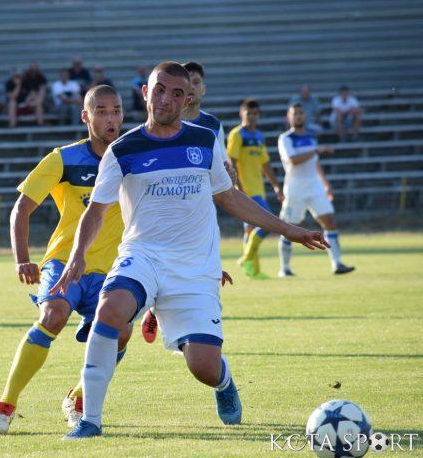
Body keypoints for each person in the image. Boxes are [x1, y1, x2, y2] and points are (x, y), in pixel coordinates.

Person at [52, 61, 327, 439]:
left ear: (187, 100)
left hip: (194, 266)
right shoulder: (122, 150)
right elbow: (96, 211)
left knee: (203, 367)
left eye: (177, 93)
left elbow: (229, 197)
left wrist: (288, 229)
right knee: (109, 310)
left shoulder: (204, 141)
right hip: (143, 256)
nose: (166, 98)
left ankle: (223, 382)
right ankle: (90, 420)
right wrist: (78, 255)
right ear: (145, 93)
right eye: (159, 89)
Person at [0, 86, 132, 435]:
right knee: (53, 315)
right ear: (86, 116)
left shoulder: (133, 158)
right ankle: (6, 404)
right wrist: (22, 259)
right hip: (65, 262)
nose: (110, 118)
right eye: (101, 111)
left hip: (111, 268)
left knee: (122, 332)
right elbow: (21, 208)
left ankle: (77, 399)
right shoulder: (64, 159)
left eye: (115, 110)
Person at [140, 60, 238, 343]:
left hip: (199, 201)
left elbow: (220, 162)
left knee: (197, 259)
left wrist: (228, 172)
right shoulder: (165, 120)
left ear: (202, 89)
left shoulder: (211, 125)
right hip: (167, 205)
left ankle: (190, 315)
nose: (192, 88)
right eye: (189, 82)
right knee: (165, 258)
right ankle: (157, 306)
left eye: (196, 83)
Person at [278, 103, 356, 276]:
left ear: (305, 116)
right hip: (295, 189)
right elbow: (293, 160)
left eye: (301, 113)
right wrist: (316, 150)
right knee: (289, 228)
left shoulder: (311, 138)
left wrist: (325, 184)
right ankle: (285, 269)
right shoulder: (285, 139)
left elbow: (315, 163)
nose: (298, 116)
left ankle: (337, 264)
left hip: (315, 187)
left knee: (330, 222)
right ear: (289, 117)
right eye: (295, 113)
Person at [227, 99, 284, 279]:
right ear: (241, 114)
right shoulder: (237, 135)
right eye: (248, 113)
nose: (251, 117)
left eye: (255, 114)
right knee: (267, 223)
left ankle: (253, 270)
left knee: (251, 230)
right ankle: (246, 258)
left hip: (258, 189)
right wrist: (238, 188)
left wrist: (276, 186)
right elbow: (231, 162)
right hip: (246, 190)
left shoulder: (259, 136)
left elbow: (265, 163)